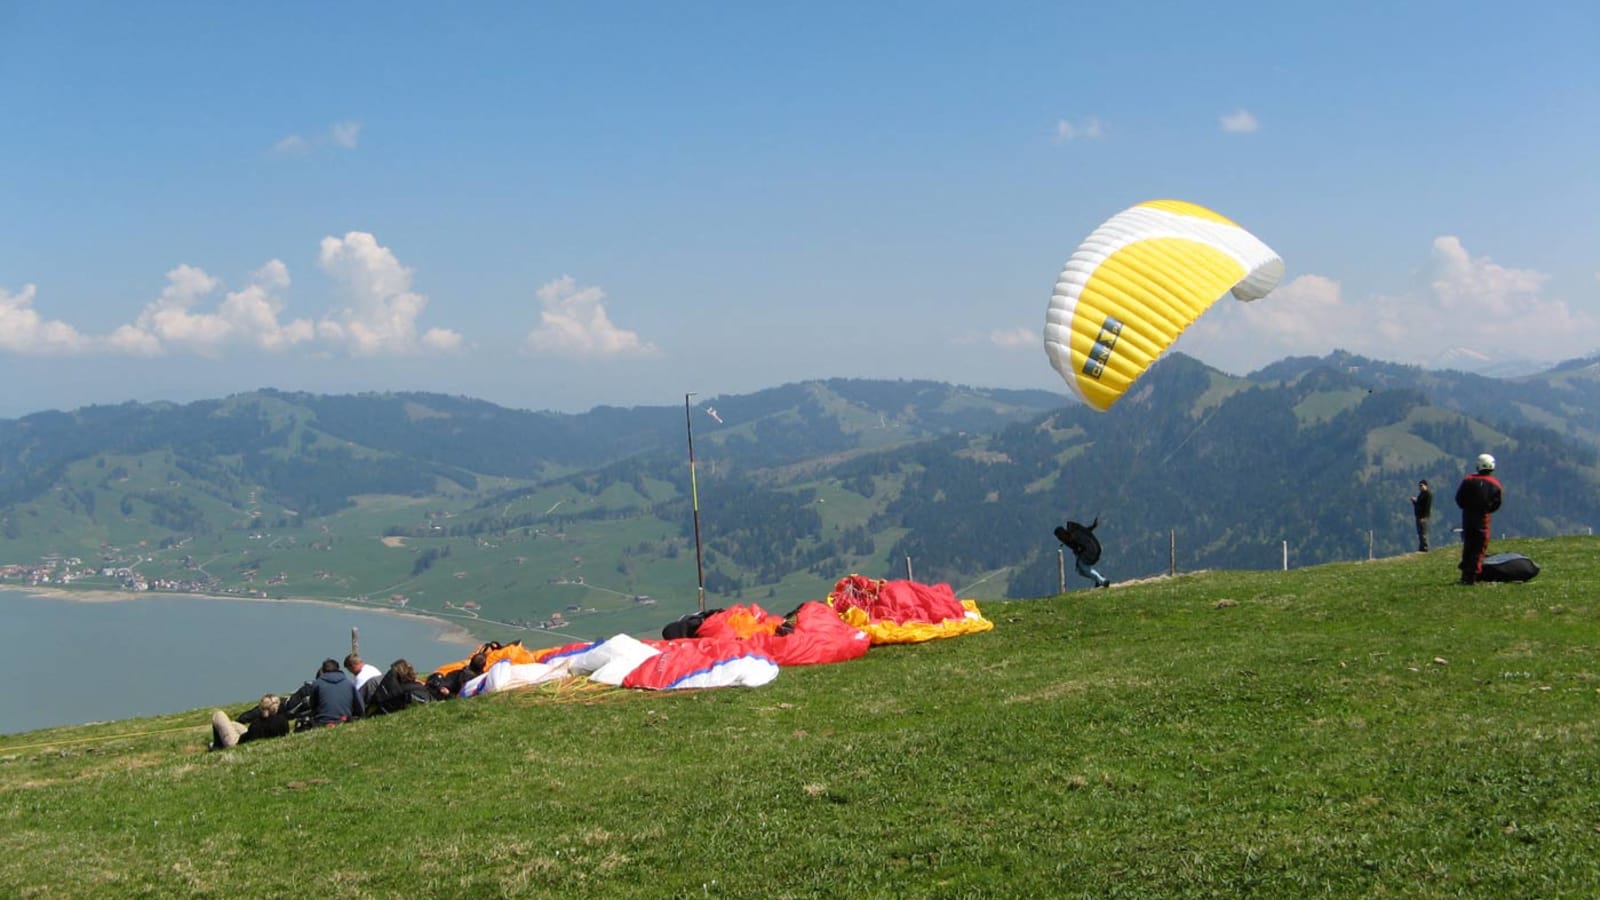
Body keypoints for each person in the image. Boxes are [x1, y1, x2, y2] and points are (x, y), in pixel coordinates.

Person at [1455, 453, 1503, 585]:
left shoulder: (1468, 480)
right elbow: (1497, 503)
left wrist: (1467, 508)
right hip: (1482, 518)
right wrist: (1487, 510)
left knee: (1468, 545)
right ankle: (1473, 576)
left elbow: (1459, 498)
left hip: (1468, 516)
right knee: (1479, 546)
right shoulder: (1495, 484)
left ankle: (1465, 574)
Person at [210, 694, 291, 750]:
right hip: (247, 735)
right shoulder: (283, 721)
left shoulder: (258, 723)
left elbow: (252, 731)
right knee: (232, 724)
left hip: (237, 743)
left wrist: (263, 716)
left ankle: (217, 746)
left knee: (218, 715)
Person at [1053, 518, 1110, 588]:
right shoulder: (1070, 536)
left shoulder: (1072, 535)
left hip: (1087, 551)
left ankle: (1103, 581)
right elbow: (1085, 532)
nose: (1059, 538)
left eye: (1058, 535)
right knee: (1080, 571)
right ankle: (1099, 578)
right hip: (1083, 552)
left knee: (1084, 568)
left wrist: (1079, 551)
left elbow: (1082, 536)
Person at [309, 657, 363, 725]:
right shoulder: (349, 683)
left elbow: (312, 706)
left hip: (323, 722)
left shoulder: (317, 684)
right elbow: (360, 707)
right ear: (338, 669)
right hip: (344, 720)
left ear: (323, 670)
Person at [1409, 479, 1433, 552]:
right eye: (1419, 486)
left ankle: (1425, 548)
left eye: (1421, 485)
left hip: (1423, 517)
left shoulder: (1428, 494)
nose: (1420, 487)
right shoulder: (1421, 494)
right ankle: (1421, 548)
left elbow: (1426, 507)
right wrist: (1414, 501)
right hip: (1418, 516)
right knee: (1420, 533)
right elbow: (1418, 505)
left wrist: (1424, 516)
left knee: (1423, 533)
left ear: (1426, 486)